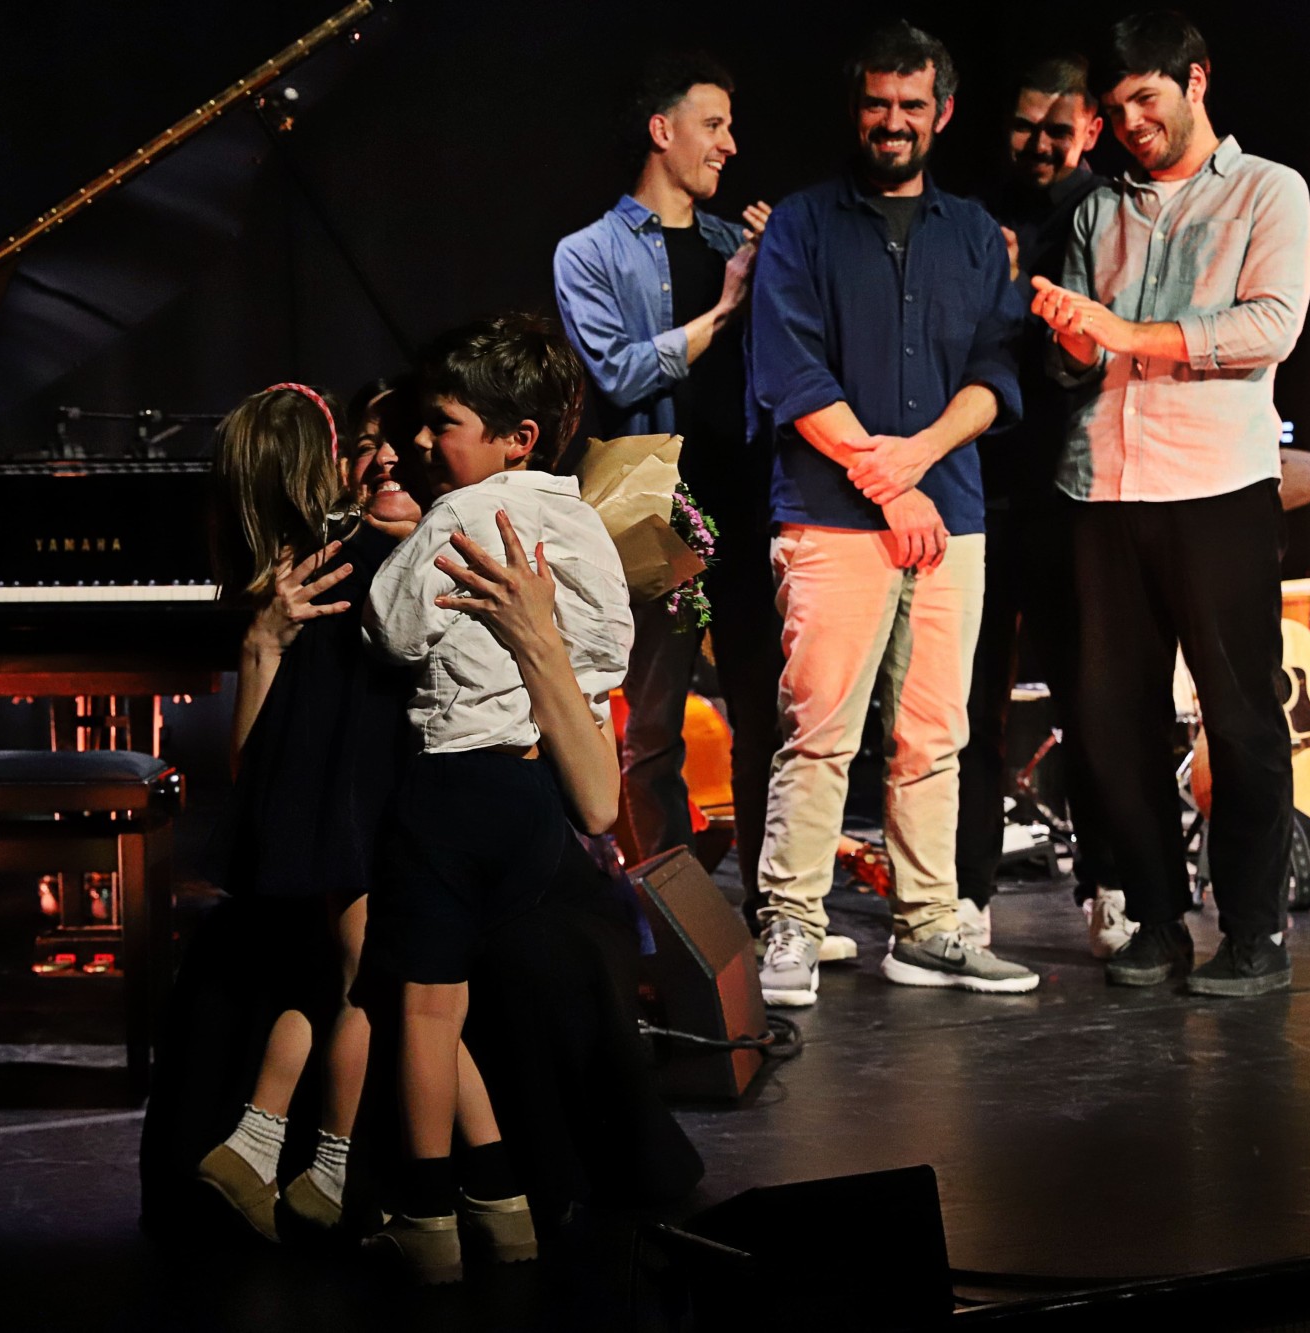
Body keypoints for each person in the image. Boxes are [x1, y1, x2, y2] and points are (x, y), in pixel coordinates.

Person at [747, 21, 1040, 1007]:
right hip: (832, 516)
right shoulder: (801, 224)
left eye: (912, 105)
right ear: (855, 107)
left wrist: (917, 460)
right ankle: (792, 923)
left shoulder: (974, 233)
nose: (893, 121)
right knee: (819, 733)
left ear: (942, 113)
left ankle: (926, 926)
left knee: (933, 736)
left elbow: (996, 371)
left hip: (949, 515)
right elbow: (790, 371)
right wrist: (891, 483)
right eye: (877, 103)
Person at [1029, 11, 1310, 996]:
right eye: (1114, 111)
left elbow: (1268, 325)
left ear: (1195, 80)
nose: (1130, 125)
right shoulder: (1095, 211)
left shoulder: (1267, 190)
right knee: (1114, 721)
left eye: (1145, 100)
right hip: (1101, 486)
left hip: (1215, 485)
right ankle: (1155, 919)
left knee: (1238, 719)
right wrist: (1075, 340)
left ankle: (1253, 931)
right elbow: (1076, 363)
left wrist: (1125, 331)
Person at [360, 314, 632, 1283]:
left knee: (425, 1011)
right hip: (532, 796)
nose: (421, 442)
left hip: (451, 788)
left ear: (516, 437)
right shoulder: (581, 519)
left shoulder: (459, 515)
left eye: (442, 423)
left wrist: (404, 558)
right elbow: (606, 648)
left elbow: (392, 631)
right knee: (468, 1002)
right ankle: (506, 1208)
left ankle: (426, 1217)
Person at [186, 381, 421, 1243]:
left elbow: (251, 764)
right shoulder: (346, 571)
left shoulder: (301, 570)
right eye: (360, 448)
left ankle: (257, 1144)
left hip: (308, 825)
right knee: (367, 972)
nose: (381, 461)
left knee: (332, 970)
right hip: (354, 817)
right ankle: (332, 1168)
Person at [552, 53, 781, 916]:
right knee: (651, 725)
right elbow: (616, 372)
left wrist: (781, 266)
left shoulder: (732, 246)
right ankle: (675, 915)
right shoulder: (589, 252)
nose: (729, 144)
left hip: (747, 501)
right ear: (663, 130)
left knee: (766, 716)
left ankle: (772, 902)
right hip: (654, 503)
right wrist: (722, 311)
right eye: (713, 125)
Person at [955, 55, 1129, 955]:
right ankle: (966, 893)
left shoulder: (1110, 211)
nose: (1039, 143)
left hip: (1073, 490)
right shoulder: (971, 209)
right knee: (970, 707)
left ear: (1092, 129)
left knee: (1089, 699)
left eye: (1058, 129)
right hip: (980, 488)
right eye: (1025, 125)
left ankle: (1108, 884)